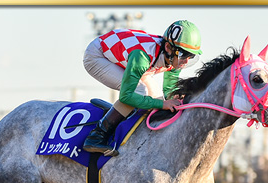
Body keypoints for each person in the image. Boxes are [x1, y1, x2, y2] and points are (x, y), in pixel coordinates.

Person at [82, 20, 202, 156]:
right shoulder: (142, 56)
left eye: (191, 56)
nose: (186, 61)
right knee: (139, 92)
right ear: (168, 48)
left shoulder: (173, 56)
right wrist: (162, 104)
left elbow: (169, 90)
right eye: (183, 55)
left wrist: (174, 99)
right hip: (97, 56)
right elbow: (126, 96)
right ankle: (97, 136)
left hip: (130, 58)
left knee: (157, 98)